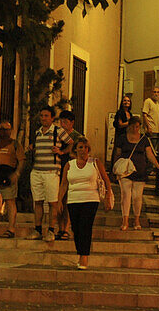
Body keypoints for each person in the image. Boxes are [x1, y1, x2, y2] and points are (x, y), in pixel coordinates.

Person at [56, 137, 113, 270]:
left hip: (90, 198)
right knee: (76, 228)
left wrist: (108, 196)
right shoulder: (69, 165)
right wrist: (60, 200)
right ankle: (80, 251)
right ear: (75, 149)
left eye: (85, 147)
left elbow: (106, 180)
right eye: (80, 147)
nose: (83, 150)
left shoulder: (95, 162)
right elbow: (64, 184)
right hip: (73, 199)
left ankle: (84, 256)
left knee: (85, 227)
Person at [114, 116, 159, 231]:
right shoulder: (122, 138)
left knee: (137, 196)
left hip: (139, 170)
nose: (135, 129)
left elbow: (149, 154)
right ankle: (125, 220)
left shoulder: (144, 139)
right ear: (129, 126)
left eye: (137, 126)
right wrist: (115, 168)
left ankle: (136, 219)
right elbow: (117, 153)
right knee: (125, 194)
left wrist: (158, 165)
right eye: (133, 126)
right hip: (125, 170)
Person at [28, 105, 62, 241]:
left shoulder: (58, 131)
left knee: (53, 202)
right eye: (42, 116)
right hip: (37, 171)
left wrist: (61, 152)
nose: (43, 118)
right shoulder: (37, 132)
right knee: (38, 201)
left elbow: (72, 143)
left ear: (52, 118)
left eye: (46, 116)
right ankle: (37, 229)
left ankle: (51, 230)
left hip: (51, 171)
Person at [53, 110, 85, 240]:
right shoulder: (58, 134)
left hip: (72, 171)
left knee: (67, 201)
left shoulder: (78, 137)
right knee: (59, 199)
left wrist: (63, 152)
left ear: (72, 123)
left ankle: (66, 228)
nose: (62, 124)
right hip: (57, 170)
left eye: (65, 122)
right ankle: (60, 228)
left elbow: (81, 154)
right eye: (61, 122)